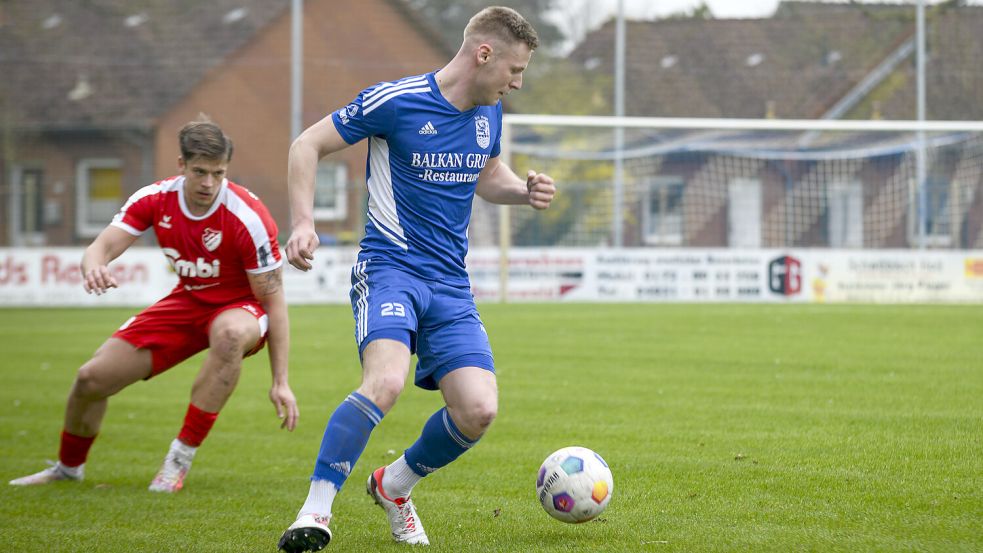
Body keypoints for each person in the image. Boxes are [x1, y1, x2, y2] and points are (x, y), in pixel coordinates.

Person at [276, 6, 554, 551]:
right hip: (389, 270)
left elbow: (488, 173)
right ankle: (314, 513)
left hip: (450, 284)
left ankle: (394, 485)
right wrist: (304, 223)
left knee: (478, 410)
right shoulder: (396, 101)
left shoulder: (489, 112)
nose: (516, 83)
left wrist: (522, 190)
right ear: (484, 54)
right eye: (514, 70)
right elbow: (306, 144)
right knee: (385, 383)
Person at [9, 119, 299, 493]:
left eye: (218, 173)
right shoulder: (154, 199)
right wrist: (94, 266)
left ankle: (176, 463)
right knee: (90, 379)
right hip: (188, 300)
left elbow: (274, 302)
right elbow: (101, 247)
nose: (209, 183)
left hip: (240, 307)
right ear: (181, 165)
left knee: (228, 335)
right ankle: (67, 469)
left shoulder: (248, 217)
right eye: (199, 172)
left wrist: (281, 381)